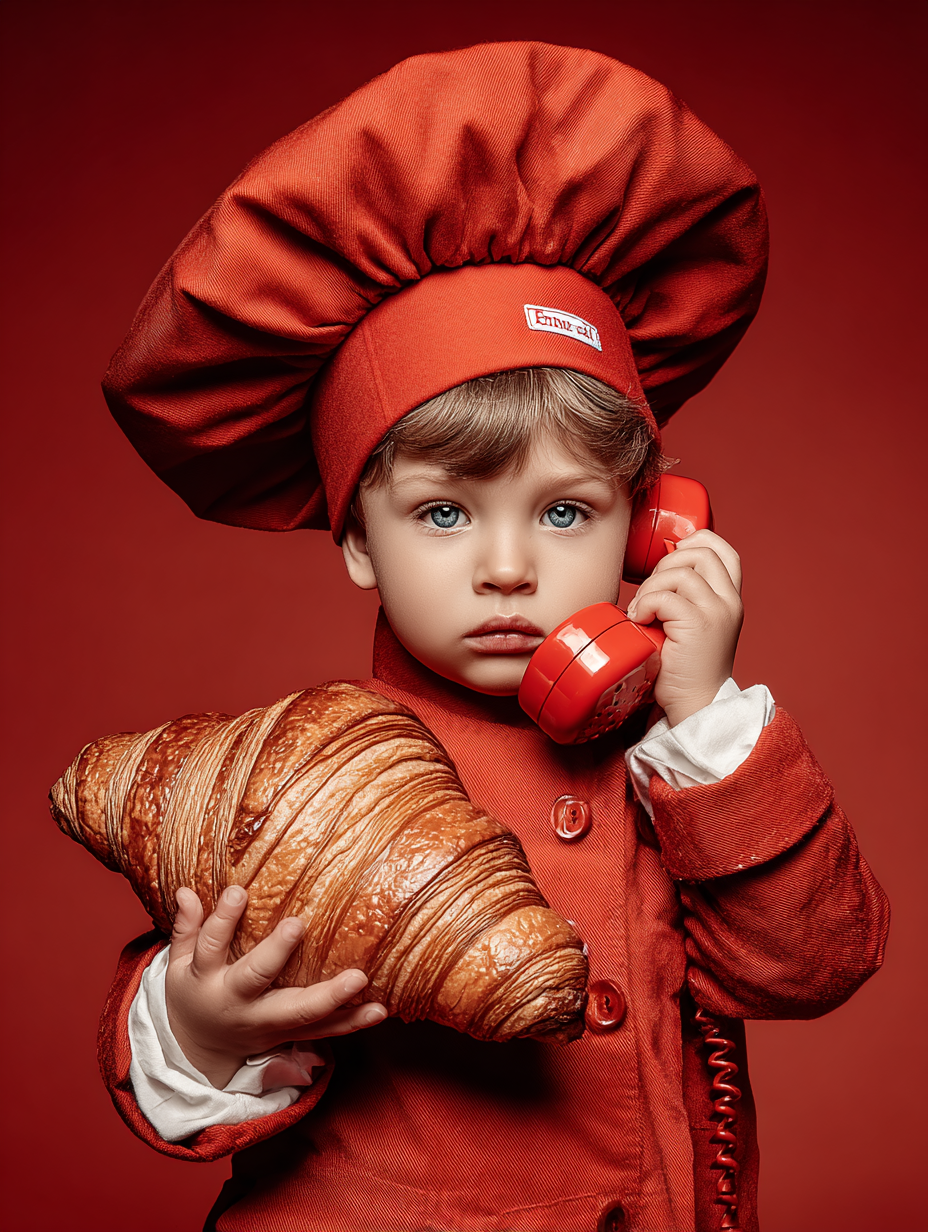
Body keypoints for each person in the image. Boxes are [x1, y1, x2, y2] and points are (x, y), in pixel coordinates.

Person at [95, 43, 888, 1232]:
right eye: (443, 511)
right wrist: (198, 1020)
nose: (507, 563)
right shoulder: (310, 774)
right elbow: (181, 1047)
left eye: (564, 510)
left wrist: (711, 711)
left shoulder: (677, 755)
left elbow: (814, 964)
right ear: (357, 539)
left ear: (646, 527)